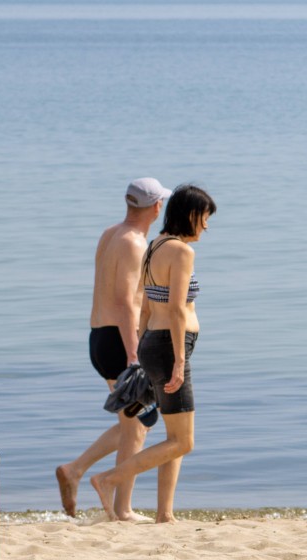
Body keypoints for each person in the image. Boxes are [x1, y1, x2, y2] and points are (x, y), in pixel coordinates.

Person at [90, 184, 216, 523]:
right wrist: (177, 361)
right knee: (182, 441)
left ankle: (165, 513)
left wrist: (143, 352)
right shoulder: (181, 252)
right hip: (169, 346)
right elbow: (175, 310)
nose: (206, 226)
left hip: (154, 344)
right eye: (204, 218)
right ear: (190, 215)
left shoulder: (155, 245)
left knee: (174, 435)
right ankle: (107, 480)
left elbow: (146, 307)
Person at [56, 178, 171, 522]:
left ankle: (75, 470)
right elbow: (124, 302)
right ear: (155, 207)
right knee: (138, 425)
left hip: (100, 337)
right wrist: (135, 356)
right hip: (120, 341)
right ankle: (122, 508)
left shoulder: (111, 234)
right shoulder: (134, 242)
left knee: (135, 422)